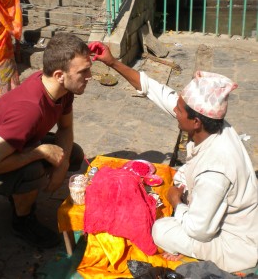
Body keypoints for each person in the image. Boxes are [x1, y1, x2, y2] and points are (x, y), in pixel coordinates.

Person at [88, 41, 258, 273]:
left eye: (178, 110)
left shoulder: (215, 171)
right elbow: (156, 91)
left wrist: (177, 203)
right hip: (220, 214)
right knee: (176, 183)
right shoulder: (214, 125)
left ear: (196, 121)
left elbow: (200, 231)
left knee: (160, 230)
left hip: (235, 245)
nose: (174, 112)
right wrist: (113, 63)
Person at [0, 32, 92, 248]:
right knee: (33, 170)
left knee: (72, 153)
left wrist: (62, 164)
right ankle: (22, 221)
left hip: (11, 143)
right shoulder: (29, 109)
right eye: (83, 71)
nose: (90, 76)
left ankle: (20, 192)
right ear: (59, 74)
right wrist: (39, 153)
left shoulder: (62, 89)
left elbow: (65, 129)